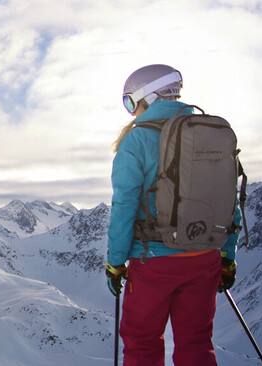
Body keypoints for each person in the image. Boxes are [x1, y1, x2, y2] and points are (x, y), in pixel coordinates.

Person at [104, 64, 241, 366]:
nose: (131, 111)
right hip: (204, 257)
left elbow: (124, 204)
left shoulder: (137, 141)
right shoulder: (208, 133)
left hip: (153, 260)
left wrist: (115, 262)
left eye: (130, 102)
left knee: (142, 343)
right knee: (196, 341)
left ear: (147, 97)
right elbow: (228, 197)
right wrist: (227, 256)